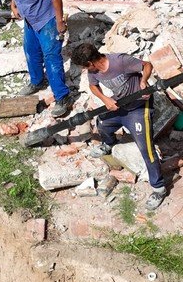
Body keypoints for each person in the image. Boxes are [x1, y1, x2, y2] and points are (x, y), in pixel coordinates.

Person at [71, 40, 168, 212]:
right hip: (120, 104)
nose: (84, 70)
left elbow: (147, 65)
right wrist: (105, 99)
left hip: (139, 107)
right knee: (102, 123)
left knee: (146, 148)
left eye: (84, 67)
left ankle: (159, 188)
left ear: (90, 62)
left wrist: (144, 81)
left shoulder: (120, 61)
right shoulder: (94, 71)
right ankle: (109, 144)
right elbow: (93, 86)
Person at [0, 0, 72, 116]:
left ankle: (62, 97)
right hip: (30, 21)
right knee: (31, 51)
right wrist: (14, 5)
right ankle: (37, 81)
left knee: (51, 57)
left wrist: (59, 21)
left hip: (47, 20)